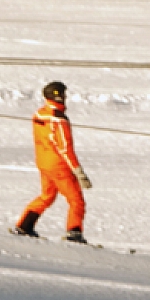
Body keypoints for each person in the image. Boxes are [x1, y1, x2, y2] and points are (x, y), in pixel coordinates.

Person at [13, 81, 93, 243]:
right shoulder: (59, 120)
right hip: (59, 166)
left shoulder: (40, 114)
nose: (66, 98)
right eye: (64, 94)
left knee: (47, 195)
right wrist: (78, 171)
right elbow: (65, 148)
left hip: (43, 163)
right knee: (76, 200)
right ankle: (74, 232)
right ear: (58, 97)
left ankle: (24, 225)